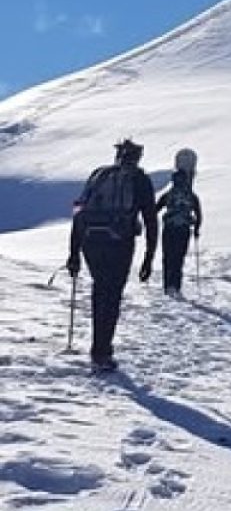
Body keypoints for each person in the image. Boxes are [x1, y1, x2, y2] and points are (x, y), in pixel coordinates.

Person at [66, 139, 158, 372]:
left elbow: (79, 212)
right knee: (113, 294)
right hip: (120, 241)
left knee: (100, 289)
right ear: (137, 157)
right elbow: (150, 219)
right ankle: (102, 351)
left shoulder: (98, 175)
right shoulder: (140, 180)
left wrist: (74, 253)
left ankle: (99, 348)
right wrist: (149, 256)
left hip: (91, 241)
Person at [156, 170, 202, 297]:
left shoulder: (168, 195)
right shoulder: (191, 196)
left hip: (169, 228)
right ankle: (176, 286)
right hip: (183, 229)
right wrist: (197, 229)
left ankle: (167, 286)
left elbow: (155, 209)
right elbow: (198, 214)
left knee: (168, 257)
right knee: (178, 257)